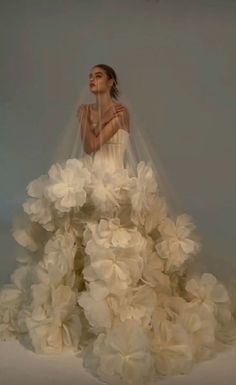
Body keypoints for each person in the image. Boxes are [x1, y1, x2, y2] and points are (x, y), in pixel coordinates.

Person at [0, 63, 236, 385]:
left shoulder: (122, 113)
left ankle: (121, 309)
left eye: (98, 75)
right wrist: (85, 118)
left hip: (115, 183)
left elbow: (97, 144)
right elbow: (86, 148)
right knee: (79, 238)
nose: (92, 80)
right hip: (92, 179)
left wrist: (87, 118)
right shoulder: (86, 111)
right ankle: (84, 307)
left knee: (116, 242)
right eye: (90, 76)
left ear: (111, 81)